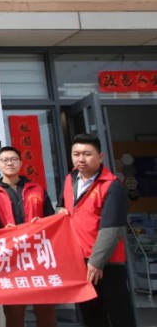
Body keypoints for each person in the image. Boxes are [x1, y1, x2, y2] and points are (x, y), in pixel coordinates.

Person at [57, 134, 135, 327]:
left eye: (87, 154)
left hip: (106, 262)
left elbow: (111, 229)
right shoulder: (71, 178)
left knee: (119, 314)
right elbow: (61, 204)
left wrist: (96, 262)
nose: (81, 159)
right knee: (91, 314)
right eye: (76, 154)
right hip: (79, 258)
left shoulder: (112, 186)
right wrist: (61, 210)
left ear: (100, 157)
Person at [0, 146, 57, 327]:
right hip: (10, 258)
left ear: (21, 162)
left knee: (46, 309)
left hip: (38, 255)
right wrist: (2, 231)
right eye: (4, 160)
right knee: (14, 312)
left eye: (13, 159)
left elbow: (51, 218)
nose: (9, 163)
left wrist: (41, 222)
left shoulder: (36, 188)